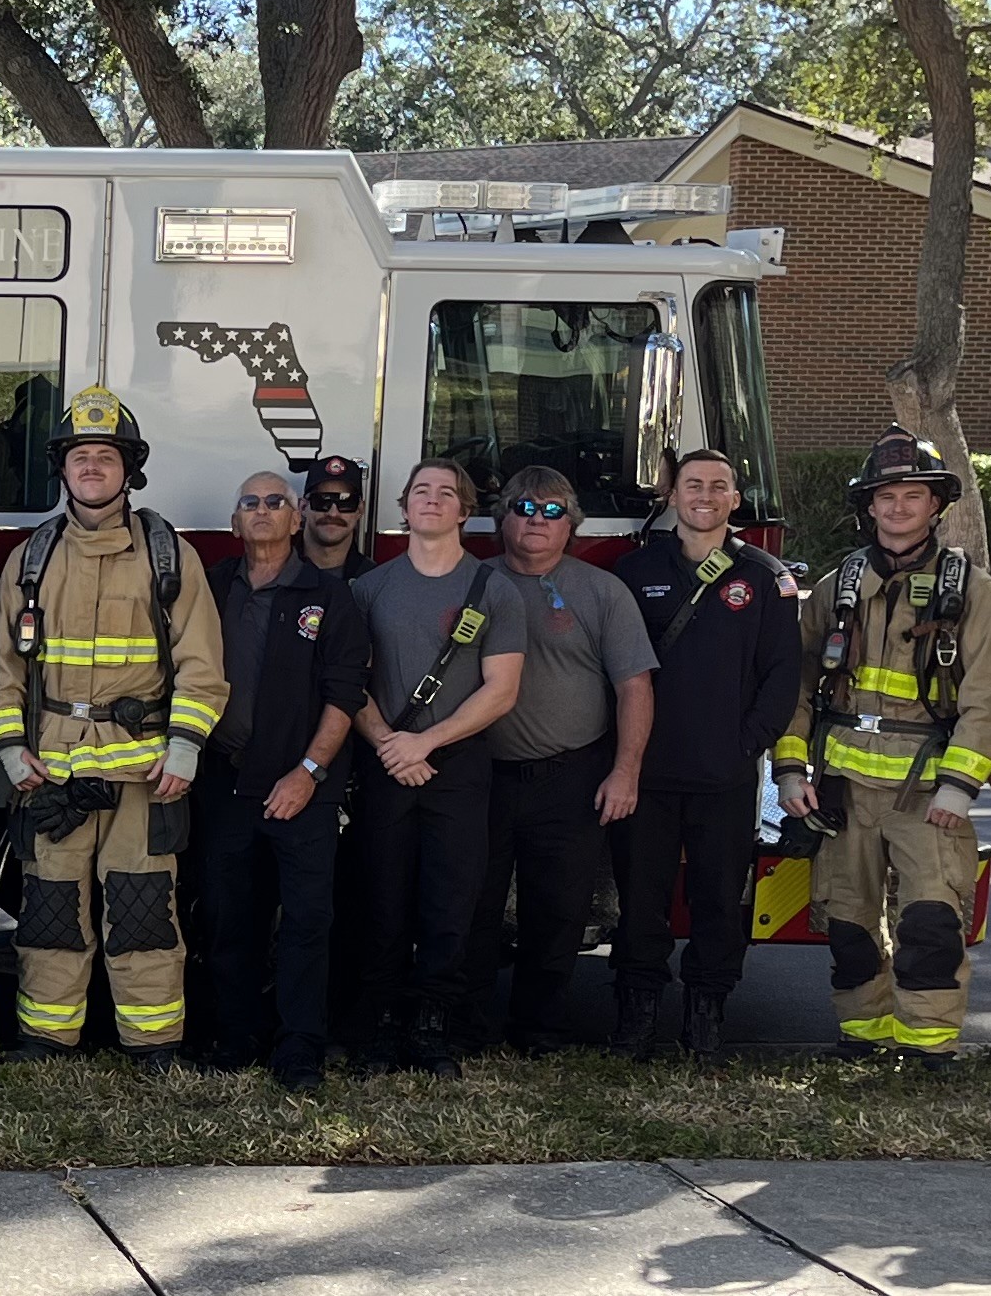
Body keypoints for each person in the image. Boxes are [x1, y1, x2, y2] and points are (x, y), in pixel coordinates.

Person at [0, 388, 224, 1067]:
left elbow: (201, 663)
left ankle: (154, 1044)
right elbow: (5, 670)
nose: (92, 466)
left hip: (143, 773)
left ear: (129, 468)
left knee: (145, 909)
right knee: (50, 912)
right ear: (63, 468)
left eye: (106, 456)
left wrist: (184, 747)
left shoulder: (167, 553)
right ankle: (47, 1039)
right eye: (80, 455)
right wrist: (9, 748)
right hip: (52, 771)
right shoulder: (32, 558)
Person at [776, 431, 991, 1064]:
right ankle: (864, 1038)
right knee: (848, 922)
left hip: (929, 795)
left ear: (937, 504)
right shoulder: (837, 588)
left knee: (930, 925)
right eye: (888, 496)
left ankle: (930, 1049)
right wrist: (790, 770)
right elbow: (795, 687)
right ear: (869, 506)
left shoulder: (973, 591)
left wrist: (961, 787)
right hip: (842, 793)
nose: (900, 507)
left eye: (915, 494)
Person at [608, 447, 801, 1062]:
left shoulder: (767, 577)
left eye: (720, 486)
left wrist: (745, 746)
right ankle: (636, 1021)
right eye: (693, 484)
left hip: (725, 775)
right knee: (641, 899)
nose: (705, 495)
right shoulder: (633, 573)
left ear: (734, 500)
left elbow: (782, 678)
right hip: (646, 774)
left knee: (720, 902)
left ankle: (705, 1020)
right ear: (671, 496)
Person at [334, 458, 524, 1076]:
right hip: (384, 760)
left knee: (452, 901)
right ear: (404, 507)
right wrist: (392, 743)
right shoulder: (369, 590)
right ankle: (380, 1024)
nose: (433, 501)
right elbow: (348, 683)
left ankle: (434, 1025)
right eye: (422, 492)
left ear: (465, 511)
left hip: (458, 763)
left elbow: (501, 690)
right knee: (380, 898)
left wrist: (426, 744)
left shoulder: (495, 589)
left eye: (447, 493)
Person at [466, 466, 656, 1055]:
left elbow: (634, 687)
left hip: (569, 778)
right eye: (523, 507)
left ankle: (537, 1033)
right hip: (478, 777)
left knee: (558, 912)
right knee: (471, 905)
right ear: (501, 519)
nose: (535, 521)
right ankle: (467, 1031)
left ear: (571, 523)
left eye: (551, 511)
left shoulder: (602, 591)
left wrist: (625, 771)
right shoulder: (471, 582)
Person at [193, 468, 369, 1092]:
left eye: (275, 502)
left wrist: (309, 772)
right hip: (226, 784)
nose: (263, 511)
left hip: (301, 790)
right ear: (236, 521)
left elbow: (344, 695)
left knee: (305, 923)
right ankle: (237, 1037)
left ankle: (300, 1049)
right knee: (229, 918)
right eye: (250, 503)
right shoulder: (211, 586)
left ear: (297, 520)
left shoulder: (329, 594)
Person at [300, 455, 378, 580]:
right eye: (322, 501)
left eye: (346, 502)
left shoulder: (374, 581)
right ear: (303, 507)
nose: (333, 513)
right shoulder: (275, 572)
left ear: (360, 509)